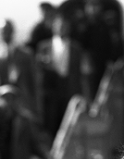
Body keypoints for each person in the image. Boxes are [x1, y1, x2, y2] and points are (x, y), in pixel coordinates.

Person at [36, 7, 83, 137]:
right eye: (59, 26)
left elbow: (80, 74)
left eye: (64, 26)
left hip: (69, 91)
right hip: (51, 92)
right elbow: (38, 70)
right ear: (53, 27)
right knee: (51, 124)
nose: (62, 28)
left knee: (70, 122)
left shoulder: (76, 48)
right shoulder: (44, 47)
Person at [0, 18, 39, 118]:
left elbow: (33, 82)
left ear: (12, 31)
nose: (5, 34)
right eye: (3, 31)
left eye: (8, 30)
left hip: (22, 101)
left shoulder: (25, 54)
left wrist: (35, 107)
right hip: (2, 101)